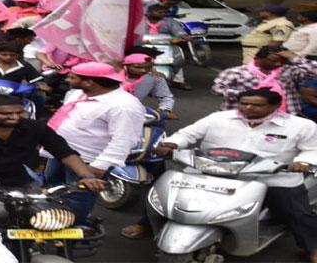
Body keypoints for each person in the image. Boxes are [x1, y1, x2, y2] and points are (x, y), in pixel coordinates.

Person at [153, 90, 317, 262]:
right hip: (209, 171)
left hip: (271, 178)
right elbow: (188, 134)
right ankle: (146, 225)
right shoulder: (219, 118)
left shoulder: (301, 126)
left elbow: (313, 149)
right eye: (244, 103)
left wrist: (303, 162)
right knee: (164, 196)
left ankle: (310, 248)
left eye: (257, 105)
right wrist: (171, 143)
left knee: (296, 212)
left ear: (276, 106)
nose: (248, 108)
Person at [45, 62, 146, 223]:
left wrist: (99, 167)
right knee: (52, 189)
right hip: (59, 154)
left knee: (77, 198)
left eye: (72, 77)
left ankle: (72, 229)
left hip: (87, 162)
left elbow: (124, 140)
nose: (67, 79)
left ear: (89, 81)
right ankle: (51, 222)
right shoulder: (77, 93)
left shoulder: (124, 106)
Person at [213, 46, 317, 113]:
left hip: (284, 115)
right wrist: (248, 96)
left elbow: (314, 70)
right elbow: (217, 89)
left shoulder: (289, 71)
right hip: (242, 114)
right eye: (273, 61)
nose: (278, 64)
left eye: (282, 61)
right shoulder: (235, 72)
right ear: (257, 59)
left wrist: (294, 58)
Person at [121, 53, 177, 118]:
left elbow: (165, 96)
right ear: (126, 66)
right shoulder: (114, 77)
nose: (143, 70)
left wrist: (164, 109)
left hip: (137, 111)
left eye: (148, 67)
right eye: (137, 67)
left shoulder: (155, 77)